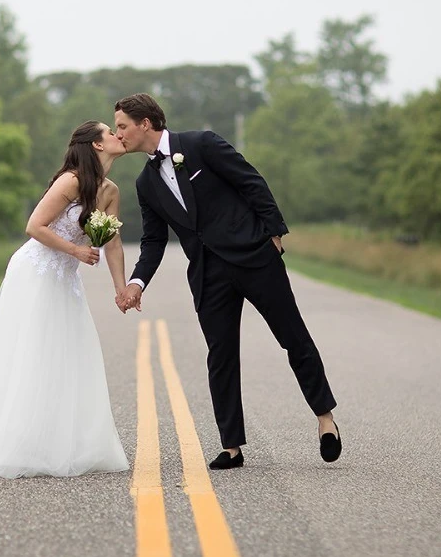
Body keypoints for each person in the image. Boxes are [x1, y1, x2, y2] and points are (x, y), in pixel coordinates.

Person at [113, 94, 342, 469]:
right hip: (207, 273)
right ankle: (231, 446)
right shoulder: (145, 183)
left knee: (293, 338)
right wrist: (137, 282)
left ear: (145, 123)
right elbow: (154, 241)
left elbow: (251, 181)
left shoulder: (202, 144)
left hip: (254, 258)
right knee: (220, 355)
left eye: (122, 125)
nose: (118, 133)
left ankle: (325, 420)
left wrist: (274, 233)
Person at [0, 121, 130, 478]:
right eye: (110, 132)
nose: (118, 136)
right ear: (96, 145)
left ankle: (62, 443)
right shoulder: (70, 181)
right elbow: (35, 226)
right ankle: (14, 444)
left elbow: (111, 242)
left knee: (68, 353)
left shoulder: (110, 190)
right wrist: (76, 250)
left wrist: (121, 288)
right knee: (33, 352)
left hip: (66, 278)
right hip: (36, 272)